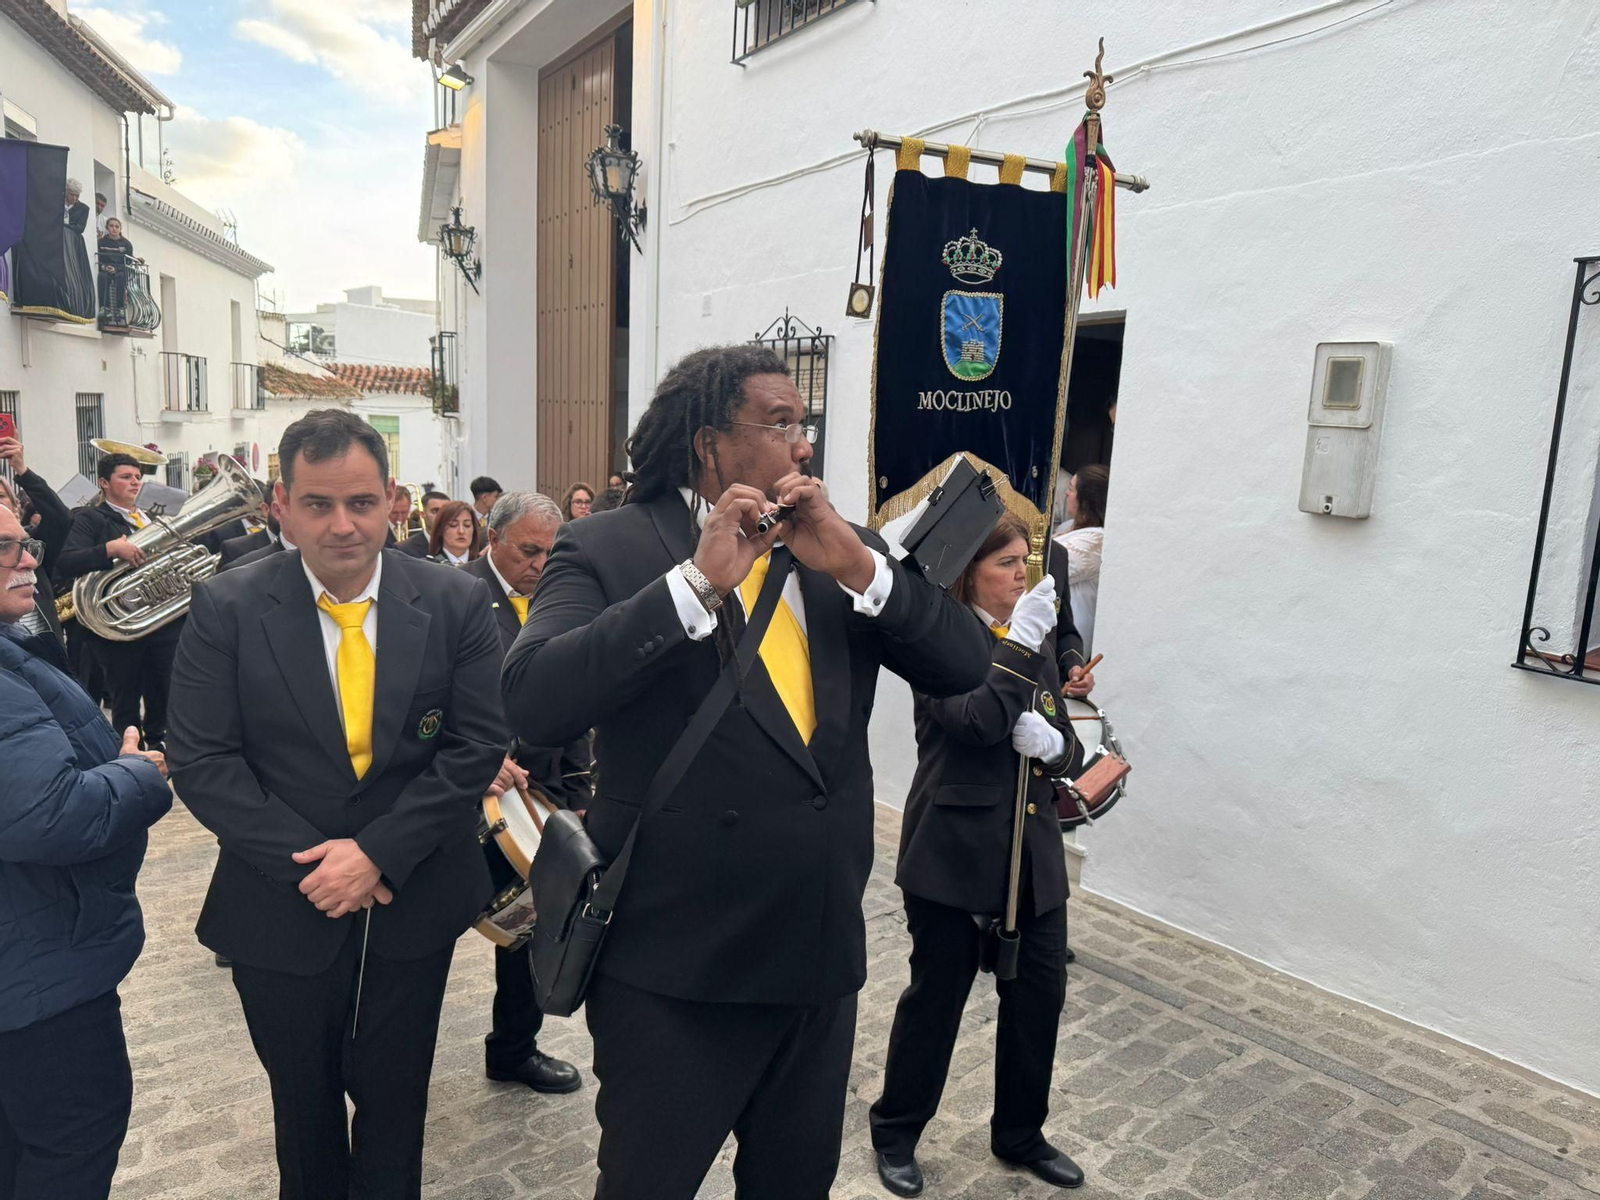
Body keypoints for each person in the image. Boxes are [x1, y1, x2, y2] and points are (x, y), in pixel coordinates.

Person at [501, 343, 991, 1200]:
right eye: (778, 423)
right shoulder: (609, 546)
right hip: (673, 973)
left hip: (814, 960)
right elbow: (533, 699)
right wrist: (693, 586)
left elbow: (965, 664)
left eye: (804, 424)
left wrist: (862, 567)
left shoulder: (837, 551)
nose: (803, 444)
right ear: (708, 444)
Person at [166, 409, 505, 1199]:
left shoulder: (453, 603)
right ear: (280, 504)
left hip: (412, 896)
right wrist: (320, 866)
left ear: (393, 500)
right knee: (303, 1109)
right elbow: (203, 760)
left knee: (397, 1103)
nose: (342, 525)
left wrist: (378, 853)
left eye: (360, 502)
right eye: (318, 504)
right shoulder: (227, 608)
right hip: (278, 902)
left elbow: (475, 747)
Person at [868, 514, 1093, 1196]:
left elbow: (1070, 741)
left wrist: (1056, 747)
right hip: (952, 853)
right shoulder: (939, 638)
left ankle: (1020, 1133)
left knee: (1036, 1004)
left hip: (1033, 858)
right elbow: (973, 723)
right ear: (970, 573)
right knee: (936, 1002)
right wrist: (1022, 646)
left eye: (1025, 559)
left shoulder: (1037, 633)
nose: (1021, 572)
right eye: (1005, 563)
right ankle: (896, 1130)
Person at [0, 502, 171, 1199]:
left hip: (30, 961)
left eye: (26, 543)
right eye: (8, 547)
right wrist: (138, 772)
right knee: (72, 1144)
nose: (30, 561)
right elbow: (54, 814)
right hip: (41, 984)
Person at [460, 490, 584, 1095]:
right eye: (529, 551)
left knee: (527, 929)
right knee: (435, 928)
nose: (541, 563)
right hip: (460, 799)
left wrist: (579, 789)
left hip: (539, 795)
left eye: (550, 552)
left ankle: (513, 1049)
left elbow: (579, 697)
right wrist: (477, 761)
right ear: (493, 541)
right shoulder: (454, 596)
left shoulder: (563, 597)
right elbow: (422, 698)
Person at [55, 453, 180, 749]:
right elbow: (66, 560)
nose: (135, 482)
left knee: (164, 685)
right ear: (104, 483)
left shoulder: (153, 517)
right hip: (119, 624)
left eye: (138, 477)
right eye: (126, 477)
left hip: (159, 618)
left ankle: (159, 742)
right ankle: (130, 749)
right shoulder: (90, 517)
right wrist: (110, 548)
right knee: (126, 693)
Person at [1053, 465, 1107, 658]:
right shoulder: (1069, 526)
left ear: (1087, 500)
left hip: (1070, 636)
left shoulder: (1097, 540)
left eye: (1072, 488)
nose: (1067, 493)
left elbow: (1050, 566)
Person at [97, 218, 134, 324]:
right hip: (106, 268)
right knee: (102, 277)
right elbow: (98, 258)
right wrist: (104, 267)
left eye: (116, 226)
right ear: (107, 227)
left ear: (120, 228)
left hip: (120, 270)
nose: (114, 229)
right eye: (111, 226)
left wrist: (117, 269)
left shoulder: (126, 244)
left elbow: (129, 262)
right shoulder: (101, 242)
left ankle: (120, 308)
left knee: (120, 277)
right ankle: (104, 308)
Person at [426, 499, 481, 565]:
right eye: (453, 525)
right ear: (440, 529)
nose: (461, 531)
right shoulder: (428, 566)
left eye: (467, 525)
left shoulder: (483, 566)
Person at [401, 490, 449, 557]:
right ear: (422, 514)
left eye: (445, 511)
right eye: (435, 511)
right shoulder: (405, 548)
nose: (440, 516)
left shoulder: (460, 545)